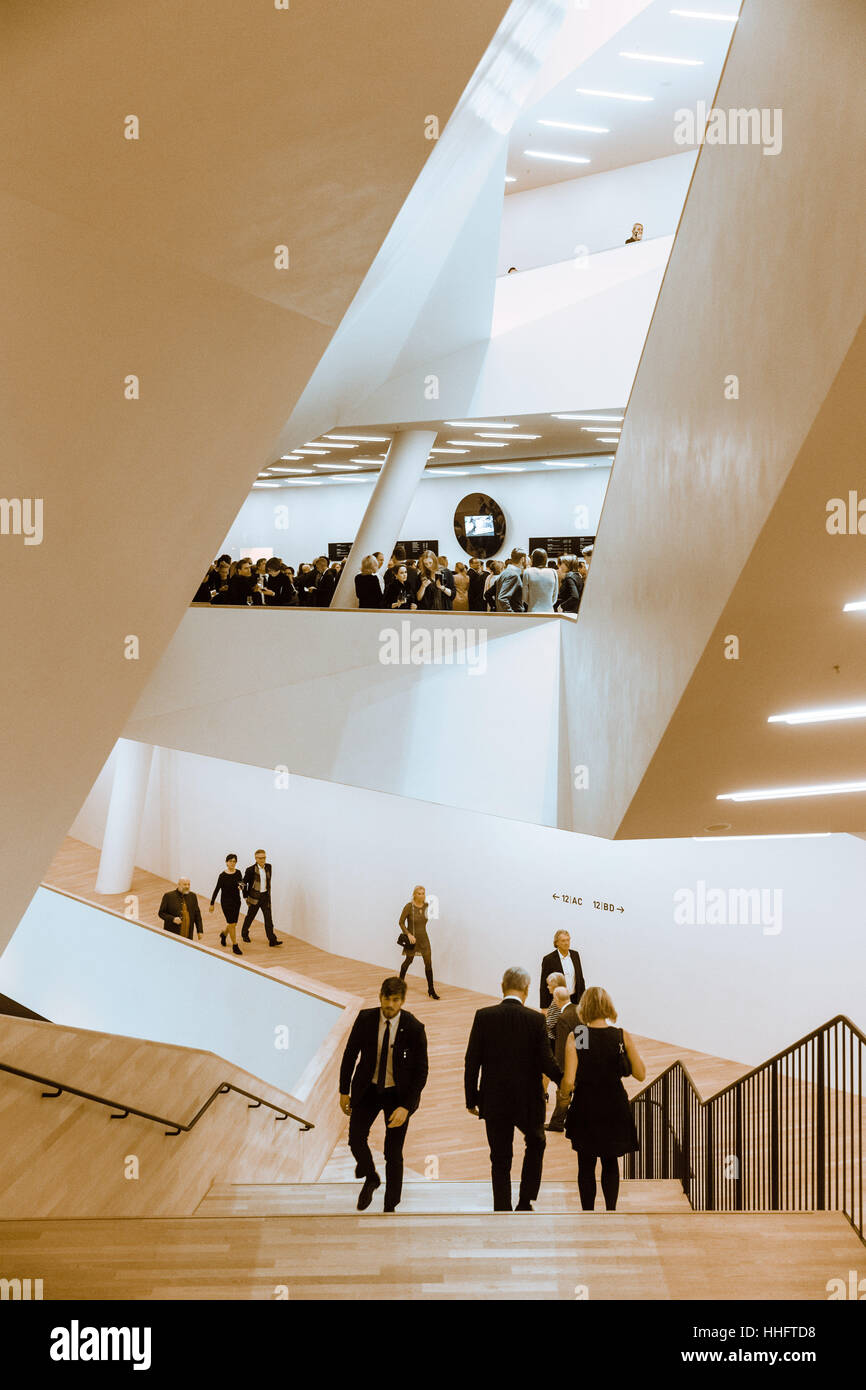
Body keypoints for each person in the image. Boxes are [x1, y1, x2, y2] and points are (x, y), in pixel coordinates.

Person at [464, 966, 562, 1211]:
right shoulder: (535, 1020)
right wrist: (567, 1083)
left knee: (499, 1157)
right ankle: (525, 1201)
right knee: (536, 1142)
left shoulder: (483, 1016)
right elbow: (546, 1062)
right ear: (527, 990)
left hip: (494, 1099)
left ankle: (502, 1207)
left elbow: (471, 1060)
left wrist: (471, 1098)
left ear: (502, 986)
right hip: (527, 1100)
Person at [339, 977, 429, 1212]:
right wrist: (343, 1091)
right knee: (356, 1139)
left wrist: (406, 1107)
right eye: (387, 999)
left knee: (393, 1152)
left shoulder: (414, 1027)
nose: (390, 1004)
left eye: (395, 1000)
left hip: (397, 1097)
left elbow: (421, 1071)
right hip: (367, 1089)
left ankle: (390, 1206)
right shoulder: (365, 1019)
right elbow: (350, 1055)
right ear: (380, 997)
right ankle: (371, 1176)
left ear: (402, 1001)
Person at [560, 986, 646, 1211]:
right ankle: (611, 1211)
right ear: (607, 1007)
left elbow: (569, 1080)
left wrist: (563, 1097)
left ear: (584, 1008)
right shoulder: (620, 1035)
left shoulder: (580, 1036)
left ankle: (588, 1212)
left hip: (586, 1105)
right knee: (610, 1162)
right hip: (614, 1106)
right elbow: (640, 1073)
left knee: (586, 1165)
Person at [397, 884, 439, 998]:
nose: (421, 895)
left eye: (423, 893)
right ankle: (399, 985)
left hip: (424, 939)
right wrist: (408, 934)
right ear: (414, 894)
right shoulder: (409, 907)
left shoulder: (427, 906)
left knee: (428, 963)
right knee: (408, 961)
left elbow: (427, 919)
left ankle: (431, 990)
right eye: (419, 893)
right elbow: (400, 922)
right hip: (413, 940)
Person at [240, 849, 283, 947]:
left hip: (265, 897)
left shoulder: (269, 867)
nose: (263, 860)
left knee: (268, 920)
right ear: (255, 858)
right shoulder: (250, 870)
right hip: (254, 897)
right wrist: (245, 896)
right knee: (250, 917)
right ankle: (244, 934)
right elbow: (243, 883)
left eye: (264, 857)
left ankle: (272, 940)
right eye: (260, 858)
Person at [209, 853, 244, 955]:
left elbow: (241, 884)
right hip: (226, 903)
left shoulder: (238, 873)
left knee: (233, 923)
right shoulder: (222, 876)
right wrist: (212, 903)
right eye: (230, 861)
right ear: (226, 862)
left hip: (236, 902)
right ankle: (235, 945)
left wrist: (241, 887)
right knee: (232, 924)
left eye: (234, 861)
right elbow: (217, 889)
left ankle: (224, 934)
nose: (232, 863)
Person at [540, 929, 585, 1008]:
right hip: (558, 1000)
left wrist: (584, 1000)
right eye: (563, 941)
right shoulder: (549, 959)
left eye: (568, 940)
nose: (566, 943)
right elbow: (544, 985)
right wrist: (544, 1007)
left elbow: (580, 979)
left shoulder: (575, 955)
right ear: (557, 943)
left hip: (575, 999)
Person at [522, 547, 558, 613]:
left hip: (533, 610)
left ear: (533, 559)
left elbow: (525, 597)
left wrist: (532, 603)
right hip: (549, 610)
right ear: (546, 559)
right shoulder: (553, 572)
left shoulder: (527, 572)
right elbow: (555, 596)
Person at [495, 548, 527, 612]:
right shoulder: (513, 575)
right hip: (514, 617)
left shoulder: (505, 572)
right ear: (522, 559)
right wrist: (511, 614)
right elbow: (502, 598)